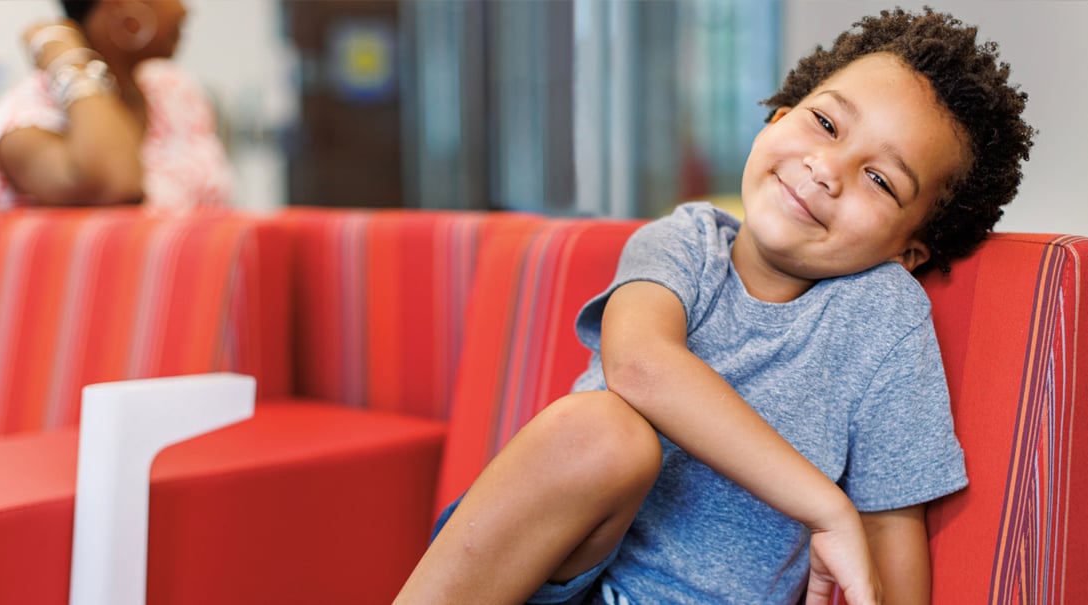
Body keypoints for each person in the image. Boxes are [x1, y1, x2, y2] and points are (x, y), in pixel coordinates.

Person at [394, 7, 1034, 605]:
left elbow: (893, 521)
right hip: (549, 575)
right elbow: (639, 365)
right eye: (826, 123)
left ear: (909, 251)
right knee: (604, 431)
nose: (826, 169)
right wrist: (824, 506)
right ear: (777, 117)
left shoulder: (885, 318)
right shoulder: (684, 244)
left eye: (880, 180)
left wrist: (856, 526)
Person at [0, 0, 232, 213]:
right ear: (120, 5)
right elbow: (114, 184)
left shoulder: (172, 88)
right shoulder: (29, 113)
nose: (184, 10)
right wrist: (70, 63)